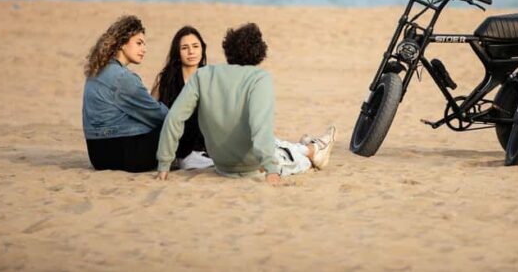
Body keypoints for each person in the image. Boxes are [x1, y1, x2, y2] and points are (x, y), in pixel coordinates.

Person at [155, 23, 335, 185]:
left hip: (220, 163)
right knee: (302, 161)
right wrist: (271, 169)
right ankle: (315, 148)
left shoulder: (202, 75)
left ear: (228, 48)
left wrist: (164, 164)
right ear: (259, 52)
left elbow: (174, 118)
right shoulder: (259, 78)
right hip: (251, 165)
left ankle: (312, 146)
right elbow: (260, 126)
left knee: (280, 147)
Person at [82, 15, 168, 172]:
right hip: (124, 154)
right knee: (178, 121)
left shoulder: (96, 71)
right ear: (122, 43)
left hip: (97, 155)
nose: (144, 49)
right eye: (139, 43)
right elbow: (157, 115)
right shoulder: (122, 78)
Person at [151, 26, 214, 170]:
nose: (191, 52)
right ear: (177, 52)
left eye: (195, 46)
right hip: (179, 146)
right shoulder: (165, 79)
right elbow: (152, 112)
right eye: (185, 48)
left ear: (202, 49)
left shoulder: (210, 76)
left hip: (207, 143)